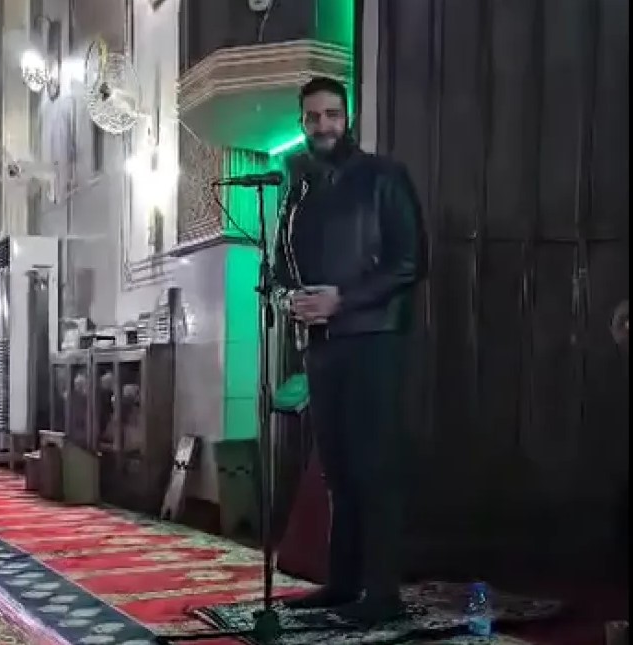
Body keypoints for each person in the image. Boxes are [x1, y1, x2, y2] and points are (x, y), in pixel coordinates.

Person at [273, 77, 428, 624]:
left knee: (374, 468)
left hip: (373, 341)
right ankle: (341, 584)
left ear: (348, 116)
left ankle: (383, 595)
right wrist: (288, 296)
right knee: (336, 469)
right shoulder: (300, 190)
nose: (323, 126)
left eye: (331, 115)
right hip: (321, 347)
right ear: (302, 123)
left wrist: (342, 300)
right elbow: (280, 266)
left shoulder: (385, 176)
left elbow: (411, 262)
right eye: (312, 117)